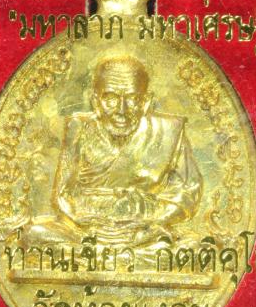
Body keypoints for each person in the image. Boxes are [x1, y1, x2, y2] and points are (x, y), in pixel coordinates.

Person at [28, 55, 202, 246]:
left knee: (193, 244)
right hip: (87, 230)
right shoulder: (79, 127)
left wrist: (147, 216)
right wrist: (88, 220)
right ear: (96, 102)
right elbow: (63, 194)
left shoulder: (169, 131)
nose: (121, 110)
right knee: (34, 234)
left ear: (146, 102)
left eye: (132, 99)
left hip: (145, 230)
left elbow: (187, 194)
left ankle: (108, 254)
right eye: (110, 98)